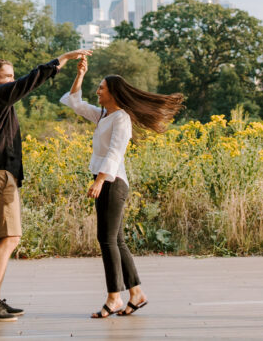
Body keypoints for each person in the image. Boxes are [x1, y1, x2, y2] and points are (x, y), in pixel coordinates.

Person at [60, 56, 183, 319]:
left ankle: (114, 297)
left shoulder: (121, 119)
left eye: (102, 87)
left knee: (106, 239)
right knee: (116, 240)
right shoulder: (104, 114)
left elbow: (115, 153)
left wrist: (100, 180)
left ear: (113, 92)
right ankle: (136, 293)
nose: (98, 91)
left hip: (113, 183)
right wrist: (80, 73)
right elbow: (75, 103)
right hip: (108, 182)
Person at [0, 48, 92, 322]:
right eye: (9, 76)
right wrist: (62, 60)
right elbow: (30, 81)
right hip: (0, 175)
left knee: (7, 239)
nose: (14, 81)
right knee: (8, 239)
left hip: (2, 175)